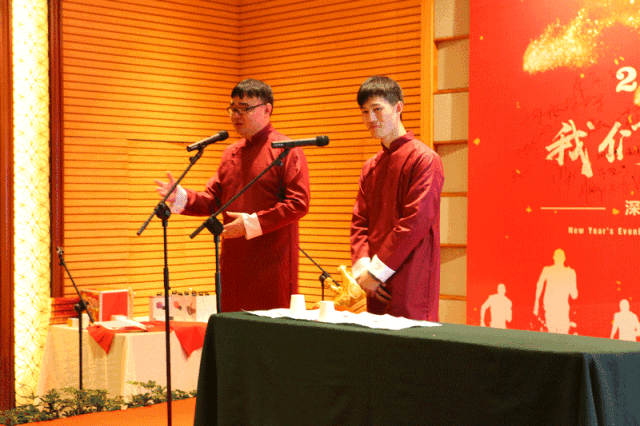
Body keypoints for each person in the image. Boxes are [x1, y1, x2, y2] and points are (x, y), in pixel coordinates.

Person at [155, 79, 310, 312]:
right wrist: (181, 197)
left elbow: (298, 203)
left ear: (267, 109)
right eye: (233, 109)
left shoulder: (287, 149)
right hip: (234, 262)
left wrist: (251, 224)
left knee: (269, 326)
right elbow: (214, 202)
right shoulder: (231, 153)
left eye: (244, 109)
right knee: (233, 324)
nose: (236, 115)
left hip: (272, 264)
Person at [350, 76, 444, 321]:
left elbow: (415, 221)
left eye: (377, 109)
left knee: (410, 341)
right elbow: (359, 221)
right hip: (373, 282)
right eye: (364, 112)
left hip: (411, 276)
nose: (370, 118)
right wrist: (363, 271)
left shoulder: (425, 159)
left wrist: (376, 273)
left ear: (398, 107)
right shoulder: (371, 166)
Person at [533, 248, 578, 334]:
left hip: (552, 308)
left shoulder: (547, 270)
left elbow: (539, 285)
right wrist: (572, 278)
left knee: (552, 334)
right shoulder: (569, 272)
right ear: (564, 258)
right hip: (560, 309)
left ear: (554, 257)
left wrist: (536, 303)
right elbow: (574, 295)